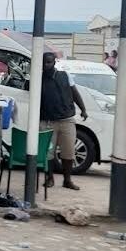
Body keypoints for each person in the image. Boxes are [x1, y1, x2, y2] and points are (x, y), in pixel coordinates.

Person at [40, 51, 88, 190]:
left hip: (66, 119)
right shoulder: (38, 77)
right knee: (48, 152)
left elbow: (75, 93)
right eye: (44, 62)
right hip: (47, 120)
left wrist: (83, 109)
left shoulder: (65, 76)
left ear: (54, 62)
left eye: (49, 62)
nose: (46, 65)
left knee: (68, 152)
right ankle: (49, 178)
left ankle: (67, 180)